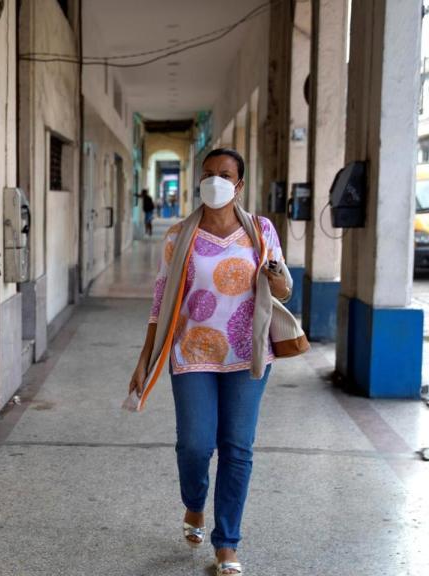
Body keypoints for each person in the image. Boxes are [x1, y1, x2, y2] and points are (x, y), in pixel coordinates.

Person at [126, 148, 290, 576]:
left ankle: (227, 544)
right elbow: (161, 301)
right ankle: (195, 503)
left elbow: (283, 290)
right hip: (192, 351)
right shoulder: (179, 234)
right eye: (208, 174)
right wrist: (145, 357)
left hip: (247, 354)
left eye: (225, 175)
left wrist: (274, 274)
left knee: (238, 448)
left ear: (239, 185)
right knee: (196, 445)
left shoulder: (261, 229)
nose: (215, 181)